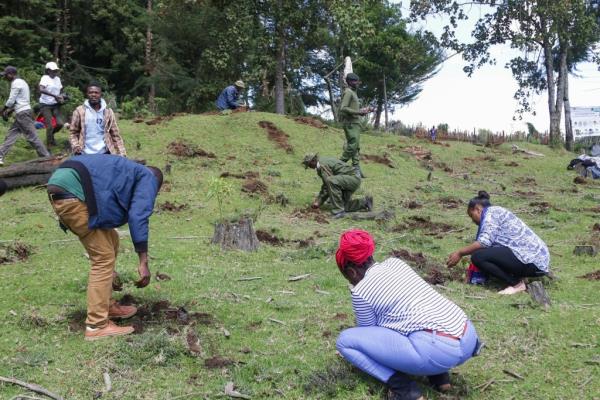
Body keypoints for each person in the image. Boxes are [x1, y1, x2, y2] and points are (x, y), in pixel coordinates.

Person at [335, 230, 481, 400]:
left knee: (345, 341)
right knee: (408, 318)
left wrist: (358, 350)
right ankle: (440, 378)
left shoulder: (361, 290)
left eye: (348, 278)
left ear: (352, 272)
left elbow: (370, 333)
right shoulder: (395, 263)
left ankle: (405, 389)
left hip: (439, 349)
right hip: (468, 335)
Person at [47, 155, 162, 340]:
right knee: (103, 258)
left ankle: (107, 305)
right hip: (73, 192)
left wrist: (111, 273)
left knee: (112, 239)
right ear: (156, 185)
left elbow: (105, 203)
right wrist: (143, 261)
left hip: (63, 183)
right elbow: (138, 216)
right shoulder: (148, 178)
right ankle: (96, 325)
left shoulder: (127, 172)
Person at [446, 191, 550, 295]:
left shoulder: (491, 213)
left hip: (532, 260)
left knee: (478, 257)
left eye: (471, 215)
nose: (473, 221)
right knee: (484, 254)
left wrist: (460, 253)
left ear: (477, 209)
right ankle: (518, 277)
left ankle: (516, 284)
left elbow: (483, 243)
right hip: (537, 262)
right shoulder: (497, 212)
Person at [0, 66, 50, 166]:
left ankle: (47, 158)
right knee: (11, 135)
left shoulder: (16, 83)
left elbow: (12, 99)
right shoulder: (22, 82)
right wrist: (11, 110)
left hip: (23, 114)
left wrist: (3, 109)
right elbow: (21, 100)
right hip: (22, 112)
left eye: (6, 75)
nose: (5, 78)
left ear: (11, 74)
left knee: (32, 137)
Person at [302, 153, 372, 219]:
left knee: (331, 181)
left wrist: (319, 201)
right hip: (349, 179)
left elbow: (328, 183)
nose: (309, 167)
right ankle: (365, 202)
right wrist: (319, 201)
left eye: (308, 165)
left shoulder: (322, 165)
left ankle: (338, 211)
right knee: (343, 205)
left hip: (352, 179)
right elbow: (327, 184)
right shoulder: (323, 161)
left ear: (312, 161)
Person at [69, 83, 127, 156]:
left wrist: (122, 153)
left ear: (100, 94)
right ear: (87, 94)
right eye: (91, 92)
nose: (93, 95)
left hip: (104, 153)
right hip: (84, 153)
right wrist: (75, 146)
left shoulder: (108, 112)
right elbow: (73, 132)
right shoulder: (79, 111)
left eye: (96, 92)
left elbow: (115, 134)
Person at [339, 73, 372, 178]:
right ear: (349, 82)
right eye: (355, 82)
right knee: (353, 145)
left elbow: (354, 109)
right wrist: (358, 112)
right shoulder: (348, 92)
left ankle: (356, 169)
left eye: (358, 82)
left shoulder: (353, 93)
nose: (357, 84)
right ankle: (338, 164)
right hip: (350, 123)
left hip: (355, 123)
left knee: (356, 147)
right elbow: (343, 108)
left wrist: (364, 110)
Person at [38, 61, 65, 147]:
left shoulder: (58, 79)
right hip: (45, 104)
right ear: (48, 70)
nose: (55, 72)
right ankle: (49, 145)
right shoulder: (45, 78)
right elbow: (41, 89)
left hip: (55, 104)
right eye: (53, 70)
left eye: (56, 70)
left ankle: (51, 135)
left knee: (60, 124)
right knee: (49, 125)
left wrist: (61, 97)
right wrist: (54, 96)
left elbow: (60, 91)